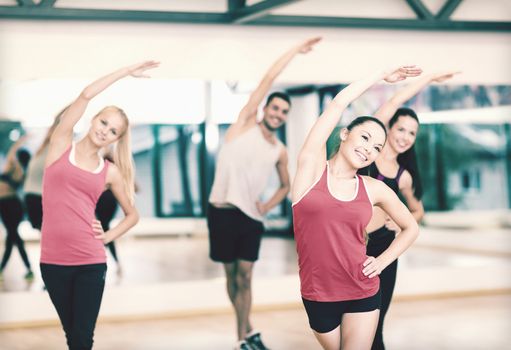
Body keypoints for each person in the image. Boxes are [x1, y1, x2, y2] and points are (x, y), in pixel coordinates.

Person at [291, 66, 421, 350]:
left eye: (376, 148)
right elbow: (338, 103)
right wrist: (380, 76)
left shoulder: (373, 188)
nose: (369, 150)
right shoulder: (311, 171)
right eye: (364, 138)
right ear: (345, 134)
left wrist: (383, 261)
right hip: (318, 293)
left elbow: (411, 227)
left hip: (362, 288)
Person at [207, 37, 321, 350]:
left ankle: (242, 336)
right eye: (276, 107)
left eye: (284, 112)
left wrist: (267, 205)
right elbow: (268, 78)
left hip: (250, 217)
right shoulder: (243, 125)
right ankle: (247, 329)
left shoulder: (280, 151)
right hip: (220, 212)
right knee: (231, 278)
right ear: (265, 109)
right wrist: (295, 51)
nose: (279, 114)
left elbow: (286, 185)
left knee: (245, 276)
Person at [39, 61, 157, 350]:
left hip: (90, 261)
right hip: (52, 262)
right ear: (93, 120)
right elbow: (85, 94)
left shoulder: (110, 172)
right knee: (73, 336)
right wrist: (126, 72)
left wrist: (107, 236)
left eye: (114, 131)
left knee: (82, 339)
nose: (106, 131)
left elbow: (132, 215)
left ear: (117, 139)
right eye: (104, 123)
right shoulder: (60, 145)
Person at [361, 71, 458, 350]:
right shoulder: (369, 155)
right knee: (352, 322)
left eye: (412, 133)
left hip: (384, 250)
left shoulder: (404, 176)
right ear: (388, 128)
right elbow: (391, 103)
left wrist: (398, 221)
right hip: (355, 246)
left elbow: (418, 212)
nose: (405, 137)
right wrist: (426, 80)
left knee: (376, 324)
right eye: (401, 129)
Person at [24, 109, 66, 231]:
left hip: (38, 195)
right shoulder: (45, 146)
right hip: (34, 196)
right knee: (46, 232)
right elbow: (57, 121)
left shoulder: (57, 148)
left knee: (48, 233)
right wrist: (77, 102)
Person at [0, 135, 34, 281]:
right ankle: (28, 269)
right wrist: (22, 140)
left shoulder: (17, 170)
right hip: (6, 205)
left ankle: (3, 269)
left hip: (11, 206)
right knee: (14, 238)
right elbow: (13, 151)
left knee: (12, 237)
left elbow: (12, 152)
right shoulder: (17, 169)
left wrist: (21, 141)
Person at [95, 150, 122, 276]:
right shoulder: (114, 170)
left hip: (105, 200)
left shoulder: (106, 170)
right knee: (104, 229)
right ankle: (112, 261)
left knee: (103, 229)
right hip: (109, 201)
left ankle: (102, 261)